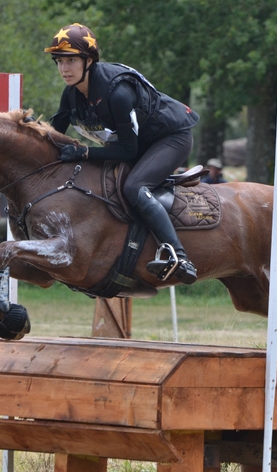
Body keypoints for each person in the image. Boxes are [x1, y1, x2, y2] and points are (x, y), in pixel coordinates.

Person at [46, 23, 200, 283]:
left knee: (134, 187)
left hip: (170, 138)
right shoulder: (71, 95)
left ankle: (179, 256)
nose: (64, 69)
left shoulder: (116, 93)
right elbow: (52, 137)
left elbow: (127, 150)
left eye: (71, 61)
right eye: (59, 61)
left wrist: (84, 153)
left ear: (89, 60)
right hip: (139, 144)